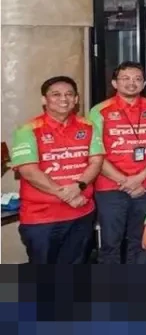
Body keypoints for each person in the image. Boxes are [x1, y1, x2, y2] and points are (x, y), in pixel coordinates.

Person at [11, 76, 105, 264]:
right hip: (42, 218)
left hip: (82, 214)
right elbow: (29, 171)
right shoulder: (27, 130)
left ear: (76, 99)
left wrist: (79, 186)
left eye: (69, 94)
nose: (64, 99)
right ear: (44, 100)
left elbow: (96, 161)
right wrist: (67, 195)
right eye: (56, 94)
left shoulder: (88, 126)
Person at [90, 61, 146, 264]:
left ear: (144, 84)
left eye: (137, 79)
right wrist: (125, 181)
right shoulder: (99, 111)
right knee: (110, 243)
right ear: (114, 83)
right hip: (110, 187)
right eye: (125, 78)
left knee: (141, 242)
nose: (132, 83)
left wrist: (140, 178)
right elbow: (96, 154)